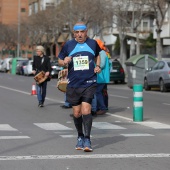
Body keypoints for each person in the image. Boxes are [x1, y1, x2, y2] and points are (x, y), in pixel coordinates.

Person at [58, 21, 101, 152]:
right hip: (73, 84)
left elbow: (98, 55)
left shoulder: (93, 43)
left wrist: (98, 66)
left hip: (89, 82)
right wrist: (64, 61)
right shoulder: (69, 45)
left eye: (82, 32)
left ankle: (87, 139)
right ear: (74, 33)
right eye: (77, 32)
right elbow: (60, 60)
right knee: (77, 113)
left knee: (86, 110)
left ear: (86, 32)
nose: (79, 35)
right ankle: (80, 136)